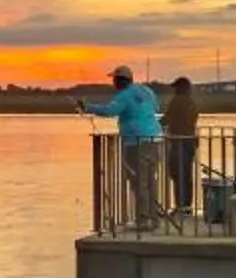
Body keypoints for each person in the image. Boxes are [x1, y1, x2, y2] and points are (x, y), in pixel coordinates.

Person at [79, 65, 164, 228]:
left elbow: (110, 110)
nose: (113, 83)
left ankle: (143, 220)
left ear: (119, 80)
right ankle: (154, 218)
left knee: (138, 182)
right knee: (150, 181)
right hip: (154, 139)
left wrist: (87, 107)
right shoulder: (146, 91)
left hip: (136, 142)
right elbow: (156, 107)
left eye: (114, 79)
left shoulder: (124, 95)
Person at [163, 77, 202, 211]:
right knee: (186, 174)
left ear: (182, 88)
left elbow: (167, 119)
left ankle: (180, 205)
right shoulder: (192, 102)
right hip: (190, 141)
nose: (174, 90)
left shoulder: (177, 101)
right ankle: (187, 206)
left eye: (176, 87)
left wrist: (152, 125)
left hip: (178, 141)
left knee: (177, 173)